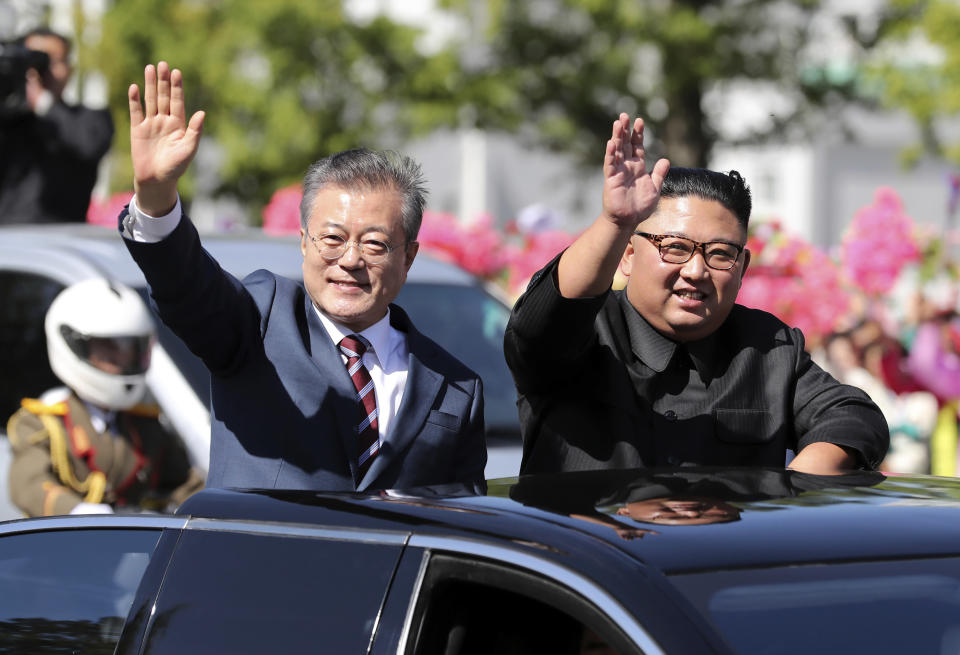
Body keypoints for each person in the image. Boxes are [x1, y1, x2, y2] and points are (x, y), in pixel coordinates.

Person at [118, 62, 487, 492]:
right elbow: (188, 288)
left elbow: (464, 522)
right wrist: (157, 198)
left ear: (408, 257)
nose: (350, 260)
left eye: (374, 244)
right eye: (332, 238)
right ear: (304, 242)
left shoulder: (456, 386)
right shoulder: (260, 319)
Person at [504, 113, 889, 476]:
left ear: (743, 268)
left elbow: (852, 415)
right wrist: (615, 223)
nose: (695, 271)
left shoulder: (768, 347)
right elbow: (542, 323)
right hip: (588, 548)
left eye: (720, 254)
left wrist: (797, 488)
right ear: (628, 255)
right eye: (674, 248)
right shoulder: (585, 335)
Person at [6, 279, 203, 516]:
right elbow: (28, 485)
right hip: (62, 544)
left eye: (131, 347)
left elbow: (185, 486)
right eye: (109, 346)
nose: (122, 358)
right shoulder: (43, 423)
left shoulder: (144, 424)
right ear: (75, 344)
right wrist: (77, 511)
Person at [0, 28, 114, 224]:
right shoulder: (9, 120)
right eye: (34, 61)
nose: (44, 71)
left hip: (60, 241)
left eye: (54, 61)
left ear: (69, 69)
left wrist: (43, 103)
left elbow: (89, 144)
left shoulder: (89, 119)